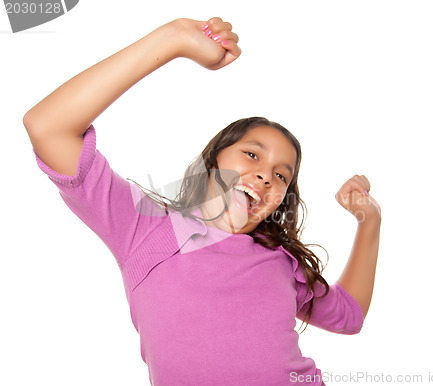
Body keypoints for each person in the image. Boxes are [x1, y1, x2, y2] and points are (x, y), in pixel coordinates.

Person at [23, 17, 381, 386]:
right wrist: (172, 39)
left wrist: (369, 220)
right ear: (214, 161)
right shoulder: (144, 229)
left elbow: (349, 316)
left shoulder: (282, 263)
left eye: (281, 175)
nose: (265, 176)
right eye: (252, 155)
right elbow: (48, 126)